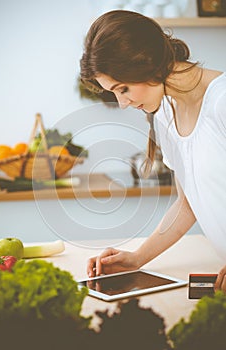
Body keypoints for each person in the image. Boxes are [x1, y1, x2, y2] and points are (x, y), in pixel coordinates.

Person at [80, 10, 226, 292]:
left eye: (123, 89)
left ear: (146, 63)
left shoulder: (221, 101)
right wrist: (137, 258)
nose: (122, 103)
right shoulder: (166, 115)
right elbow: (187, 205)